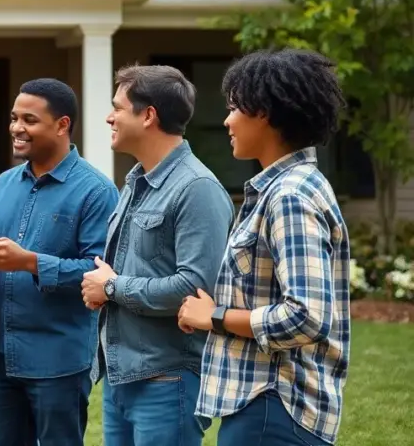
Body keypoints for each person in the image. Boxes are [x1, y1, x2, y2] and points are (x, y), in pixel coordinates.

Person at [178, 48, 351, 446]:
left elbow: (306, 316)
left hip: (274, 407)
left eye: (235, 107)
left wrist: (215, 317)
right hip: (266, 407)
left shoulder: (289, 197)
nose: (226, 120)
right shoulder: (286, 188)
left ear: (266, 113)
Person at [80, 64, 233, 446]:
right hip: (123, 378)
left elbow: (195, 289)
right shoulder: (135, 183)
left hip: (168, 382)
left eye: (118, 107)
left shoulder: (197, 189)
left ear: (148, 115)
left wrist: (112, 287)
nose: (108, 116)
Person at [0, 78, 119, 446]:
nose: (17, 127)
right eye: (14, 118)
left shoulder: (96, 191)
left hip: (57, 363)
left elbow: (101, 274)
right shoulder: (4, 183)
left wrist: (31, 262)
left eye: (29, 120)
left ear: (62, 125)